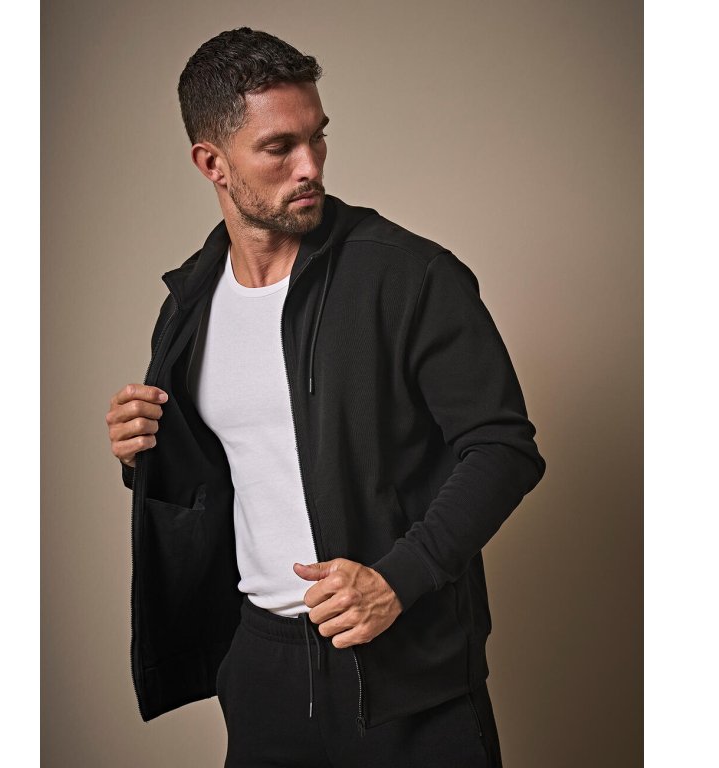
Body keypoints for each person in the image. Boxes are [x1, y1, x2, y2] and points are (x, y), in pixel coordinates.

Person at [105, 27, 545, 768]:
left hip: (407, 670)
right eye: (279, 148)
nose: (309, 166)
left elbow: (504, 448)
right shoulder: (190, 304)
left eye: (318, 138)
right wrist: (143, 453)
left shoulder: (408, 275)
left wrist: (399, 579)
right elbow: (235, 473)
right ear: (212, 162)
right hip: (263, 668)